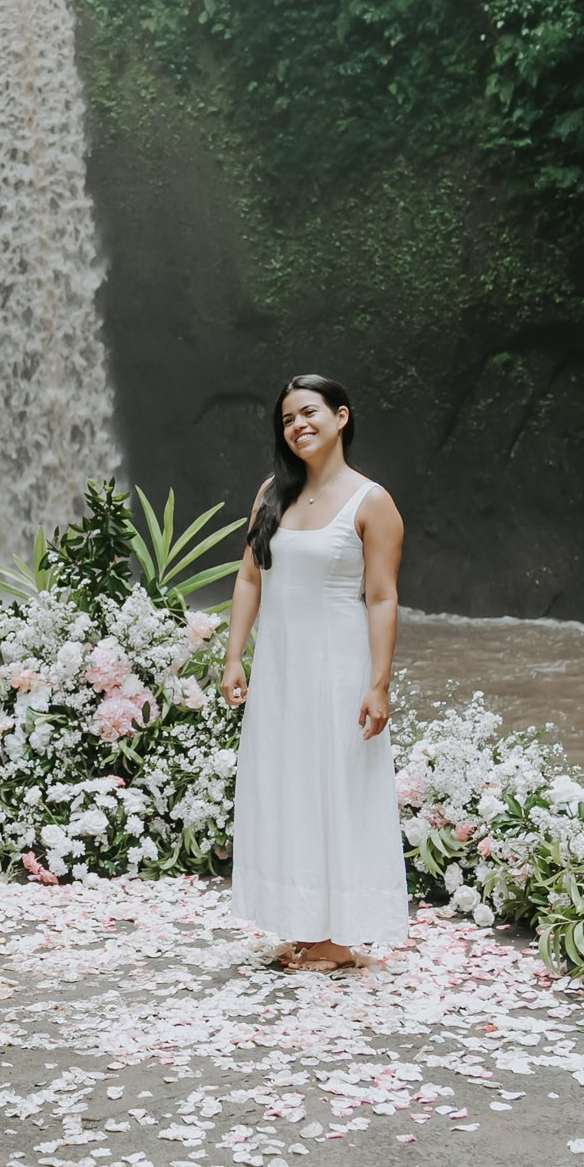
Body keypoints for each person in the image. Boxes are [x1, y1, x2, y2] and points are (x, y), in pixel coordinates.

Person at [220, 374, 411, 970]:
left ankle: (339, 937)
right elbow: (250, 577)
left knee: (338, 790)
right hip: (280, 667)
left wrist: (378, 683)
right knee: (286, 787)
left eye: (309, 413)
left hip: (339, 666)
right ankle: (303, 920)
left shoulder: (371, 502)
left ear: (341, 417)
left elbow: (381, 597)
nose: (298, 426)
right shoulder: (271, 494)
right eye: (286, 419)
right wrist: (233, 656)